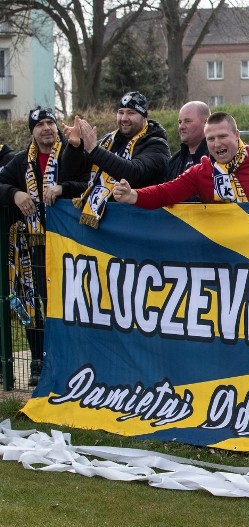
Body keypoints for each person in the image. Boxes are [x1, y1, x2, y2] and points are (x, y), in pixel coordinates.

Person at [0, 107, 88, 386]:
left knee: (66, 302)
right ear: (32, 131)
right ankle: (38, 359)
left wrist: (63, 188)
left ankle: (70, 359)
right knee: (34, 302)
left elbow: (88, 183)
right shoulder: (20, 162)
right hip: (35, 245)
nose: (46, 128)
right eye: (39, 124)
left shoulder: (71, 153)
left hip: (71, 242)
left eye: (50, 122)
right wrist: (14, 194)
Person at [113, 111, 249, 207]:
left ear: (237, 135)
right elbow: (165, 193)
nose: (217, 144)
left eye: (223, 136)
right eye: (210, 139)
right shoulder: (201, 172)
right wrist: (132, 196)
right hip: (227, 261)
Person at [61, 91, 170, 227]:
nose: (124, 118)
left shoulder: (156, 144)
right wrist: (75, 147)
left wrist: (94, 150)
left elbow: (133, 173)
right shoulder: (109, 141)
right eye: (120, 112)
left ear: (144, 117)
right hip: (105, 228)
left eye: (131, 113)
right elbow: (73, 171)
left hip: (141, 226)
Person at [167, 101, 211, 181]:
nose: (181, 127)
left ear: (206, 123)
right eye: (180, 122)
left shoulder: (216, 157)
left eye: (188, 121)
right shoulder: (174, 161)